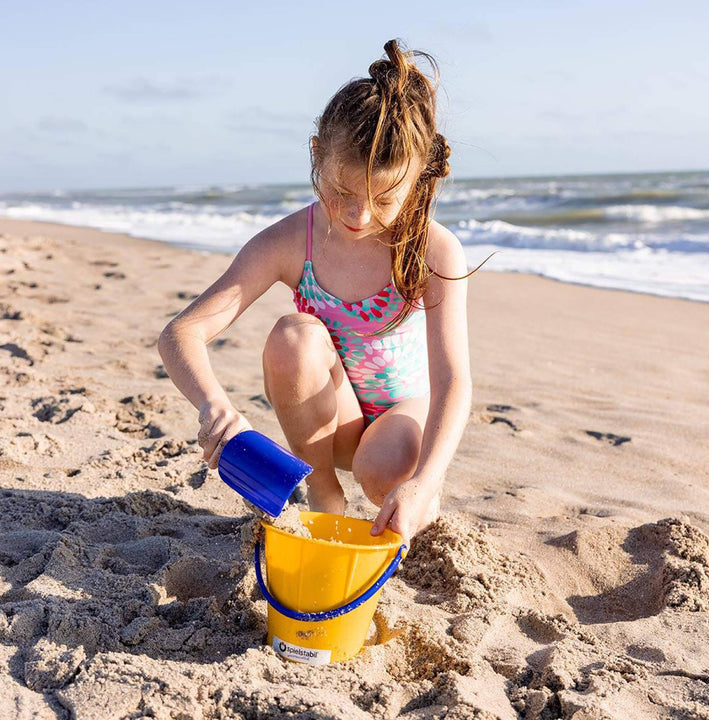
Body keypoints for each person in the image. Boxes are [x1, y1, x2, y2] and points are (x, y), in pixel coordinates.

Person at [157, 39, 472, 543]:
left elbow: (454, 381)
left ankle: (412, 492)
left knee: (386, 468)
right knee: (293, 336)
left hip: (402, 416)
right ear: (316, 155)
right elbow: (182, 333)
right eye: (342, 192)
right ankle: (322, 487)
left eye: (383, 199)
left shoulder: (432, 249)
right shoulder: (288, 243)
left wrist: (425, 480)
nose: (358, 216)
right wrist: (214, 405)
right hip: (329, 419)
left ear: (415, 181)